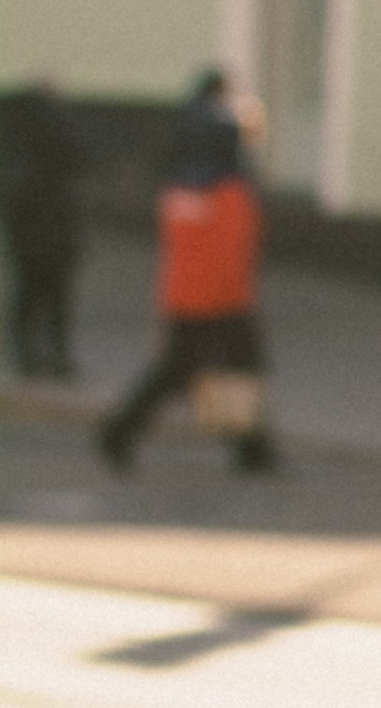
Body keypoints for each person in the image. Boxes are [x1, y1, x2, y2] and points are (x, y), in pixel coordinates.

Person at [98, 83, 279, 474]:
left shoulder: (179, 185)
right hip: (225, 300)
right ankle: (249, 449)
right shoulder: (231, 190)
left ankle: (250, 448)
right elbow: (236, 253)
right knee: (239, 371)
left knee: (178, 372)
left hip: (181, 294)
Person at [1, 79, 82, 377]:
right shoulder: (44, 158)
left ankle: (34, 357)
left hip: (37, 239)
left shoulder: (19, 156)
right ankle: (50, 357)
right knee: (47, 298)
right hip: (47, 238)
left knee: (33, 298)